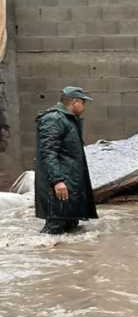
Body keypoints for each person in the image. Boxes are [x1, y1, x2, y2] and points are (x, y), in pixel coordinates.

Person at [35, 87, 97, 234]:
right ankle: (45, 255)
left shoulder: (69, 119)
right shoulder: (54, 119)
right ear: (75, 101)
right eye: (83, 102)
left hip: (70, 183)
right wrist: (57, 180)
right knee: (54, 229)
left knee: (71, 229)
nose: (84, 106)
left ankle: (68, 256)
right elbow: (48, 152)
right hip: (60, 185)